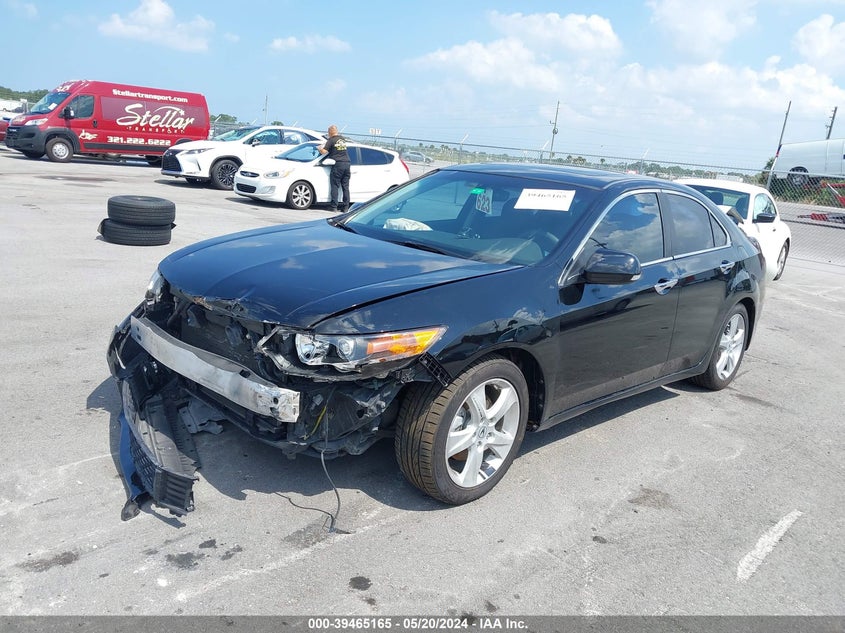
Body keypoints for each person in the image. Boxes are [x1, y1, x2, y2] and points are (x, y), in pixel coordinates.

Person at [318, 125, 351, 212]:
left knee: (335, 186)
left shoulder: (331, 140)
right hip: (347, 164)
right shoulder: (342, 139)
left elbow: (324, 152)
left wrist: (319, 149)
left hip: (338, 165)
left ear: (330, 132)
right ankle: (346, 207)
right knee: (345, 187)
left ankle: (334, 207)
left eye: (328, 132)